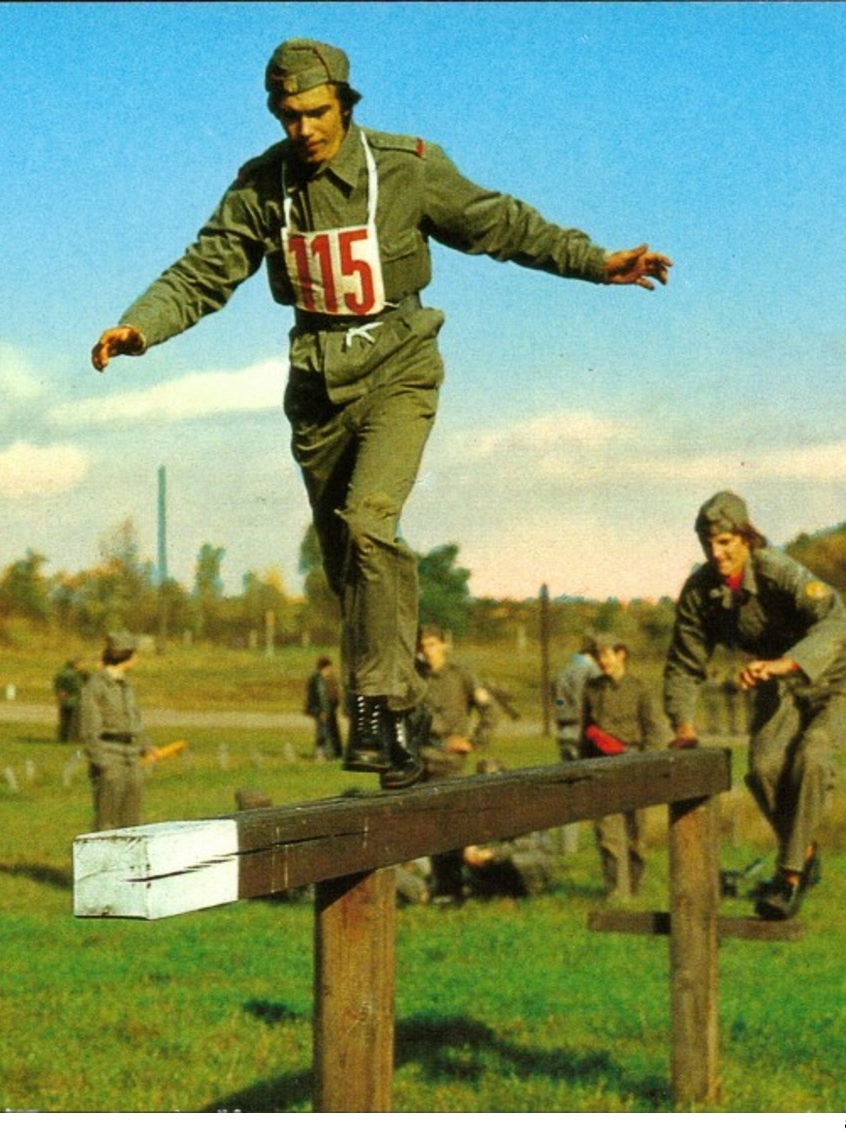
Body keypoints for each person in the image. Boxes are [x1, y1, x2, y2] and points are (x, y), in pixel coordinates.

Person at [91, 38, 671, 791]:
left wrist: (594, 262)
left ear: (344, 103)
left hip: (397, 366)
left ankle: (388, 708)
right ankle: (391, 723)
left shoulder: (403, 167)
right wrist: (141, 326)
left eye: (315, 112)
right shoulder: (261, 188)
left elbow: (499, 224)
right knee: (347, 566)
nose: (302, 129)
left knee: (370, 524)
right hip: (316, 388)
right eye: (286, 115)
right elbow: (204, 269)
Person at [664, 491, 846, 921]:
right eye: (708, 544)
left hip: (838, 673)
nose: (716, 553)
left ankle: (789, 876)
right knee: (761, 769)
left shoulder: (776, 569)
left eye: (725, 542)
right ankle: (806, 850)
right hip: (779, 681)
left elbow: (836, 622)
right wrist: (683, 726)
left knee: (812, 753)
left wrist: (784, 663)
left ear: (745, 537)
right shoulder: (701, 592)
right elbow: (684, 664)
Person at [580, 633, 670, 901]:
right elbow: (586, 729)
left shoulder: (640, 689)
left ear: (622, 654)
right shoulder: (591, 689)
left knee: (635, 836)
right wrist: (582, 766)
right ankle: (616, 892)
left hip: (633, 765)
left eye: (606, 655)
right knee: (607, 833)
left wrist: (649, 767)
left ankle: (634, 888)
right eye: (598, 656)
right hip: (601, 767)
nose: (601, 661)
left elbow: (655, 732)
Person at [417, 624, 500, 897]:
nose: (427, 651)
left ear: (443, 645)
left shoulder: (461, 675)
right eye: (422, 645)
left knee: (451, 826)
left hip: (449, 763)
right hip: (420, 761)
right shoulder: (416, 678)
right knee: (425, 827)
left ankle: (453, 886)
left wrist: (474, 742)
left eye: (431, 644)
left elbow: (490, 711)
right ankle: (439, 885)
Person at [81, 631, 154, 831]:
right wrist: (102, 763)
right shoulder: (96, 685)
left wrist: (145, 745)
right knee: (108, 820)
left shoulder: (126, 685)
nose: (137, 658)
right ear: (125, 655)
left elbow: (134, 721)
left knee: (132, 820)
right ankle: (103, 863)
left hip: (131, 757)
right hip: (109, 756)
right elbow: (89, 729)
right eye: (134, 654)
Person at [460, 758, 556, 899]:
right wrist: (470, 847)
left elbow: (526, 844)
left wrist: (492, 853)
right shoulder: (478, 804)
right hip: (499, 857)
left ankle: (528, 890)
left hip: (533, 857)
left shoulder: (521, 804)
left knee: (515, 860)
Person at [551, 637, 600, 762]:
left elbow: (558, 700)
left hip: (563, 727)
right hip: (583, 726)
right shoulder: (591, 670)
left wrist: (562, 707)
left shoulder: (561, 672)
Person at [305, 656, 344, 760]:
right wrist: (320, 711)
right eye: (329, 668)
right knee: (322, 732)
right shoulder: (316, 680)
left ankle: (333, 753)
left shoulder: (329, 679)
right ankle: (320, 754)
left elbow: (333, 695)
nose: (331, 670)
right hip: (320, 710)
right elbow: (314, 697)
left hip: (330, 710)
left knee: (331, 732)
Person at [53, 657, 85, 744]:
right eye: (81, 664)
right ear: (75, 664)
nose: (82, 666)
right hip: (75, 700)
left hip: (63, 700)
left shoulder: (60, 673)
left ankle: (63, 738)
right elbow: (77, 687)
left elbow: (57, 686)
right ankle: (74, 739)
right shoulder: (75, 675)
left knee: (64, 721)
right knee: (75, 722)